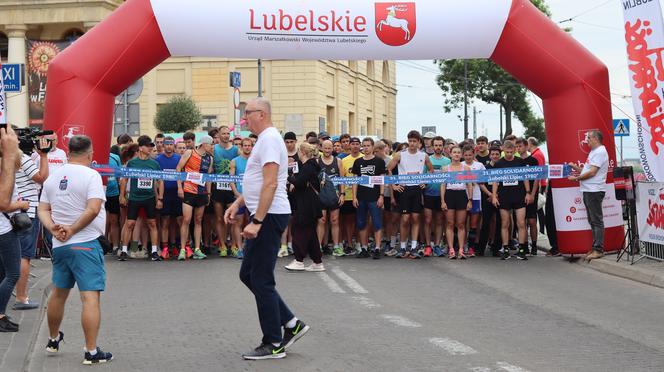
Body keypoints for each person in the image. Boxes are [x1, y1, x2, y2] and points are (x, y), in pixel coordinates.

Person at [225, 97, 310, 360]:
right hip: (262, 213)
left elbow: (271, 183)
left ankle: (273, 342)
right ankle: (291, 323)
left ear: (260, 114)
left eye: (247, 114)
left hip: (269, 216)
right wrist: (239, 202)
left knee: (261, 279)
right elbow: (257, 180)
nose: (245, 120)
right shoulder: (265, 139)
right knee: (248, 274)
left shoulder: (271, 139)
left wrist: (257, 221)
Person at [38, 135, 112, 364]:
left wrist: (53, 228)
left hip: (60, 246)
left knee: (58, 293)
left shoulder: (53, 177)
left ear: (68, 152)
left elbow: (42, 209)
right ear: (90, 154)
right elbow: (92, 209)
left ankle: (52, 339)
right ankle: (91, 352)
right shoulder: (91, 175)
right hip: (86, 243)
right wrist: (71, 229)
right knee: (89, 297)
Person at [13, 138, 50, 310]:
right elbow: (42, 178)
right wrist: (43, 156)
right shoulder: (21, 159)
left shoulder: (6, 158)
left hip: (10, 211)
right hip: (26, 212)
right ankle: (21, 297)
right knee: (24, 256)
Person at [387, 130, 433, 259]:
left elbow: (431, 170)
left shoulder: (423, 156)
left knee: (415, 218)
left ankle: (413, 247)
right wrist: (394, 185)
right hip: (404, 190)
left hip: (417, 190)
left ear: (419, 143)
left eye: (414, 141)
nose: (412, 144)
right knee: (405, 219)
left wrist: (425, 181)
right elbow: (389, 169)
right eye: (410, 141)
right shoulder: (400, 155)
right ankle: (402, 247)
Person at [118, 135, 163, 262]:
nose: (150, 149)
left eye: (151, 146)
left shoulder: (154, 164)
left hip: (149, 197)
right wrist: (122, 196)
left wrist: (160, 198)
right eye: (148, 146)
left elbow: (160, 181)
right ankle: (124, 251)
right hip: (134, 198)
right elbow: (124, 179)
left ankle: (154, 251)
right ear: (141, 148)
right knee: (130, 224)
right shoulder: (132, 163)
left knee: (152, 223)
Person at [568, 130, 609, 261]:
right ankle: (595, 247)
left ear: (596, 139)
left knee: (596, 220)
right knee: (592, 220)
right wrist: (575, 167)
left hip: (594, 190)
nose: (587, 140)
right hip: (589, 190)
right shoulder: (594, 152)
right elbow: (587, 170)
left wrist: (576, 179)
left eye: (589, 138)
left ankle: (598, 249)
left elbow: (592, 173)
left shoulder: (600, 152)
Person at [284, 142, 325, 271]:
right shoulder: (309, 165)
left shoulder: (309, 166)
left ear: (303, 152)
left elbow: (300, 182)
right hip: (308, 203)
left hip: (307, 204)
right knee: (311, 233)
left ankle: (299, 260)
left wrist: (288, 177)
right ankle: (317, 262)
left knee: (298, 230)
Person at [491, 140, 532, 260]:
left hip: (519, 195)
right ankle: (505, 248)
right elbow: (495, 181)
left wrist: (528, 193)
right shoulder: (499, 163)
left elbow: (525, 178)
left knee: (521, 223)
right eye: (507, 152)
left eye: (511, 152)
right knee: (505, 223)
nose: (509, 154)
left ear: (514, 150)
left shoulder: (520, 162)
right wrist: (494, 196)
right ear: (503, 150)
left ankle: (522, 249)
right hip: (504, 196)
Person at [0, 127, 23, 332]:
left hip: (4, 227)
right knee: (13, 273)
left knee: (2, 274)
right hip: (3, 229)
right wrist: (22, 206)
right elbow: (3, 203)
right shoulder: (4, 166)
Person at [176, 135, 214, 261]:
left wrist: (208, 194)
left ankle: (197, 248)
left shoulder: (209, 158)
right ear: (204, 144)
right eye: (210, 144)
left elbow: (208, 177)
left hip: (201, 192)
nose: (212, 147)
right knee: (186, 219)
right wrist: (180, 188)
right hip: (188, 190)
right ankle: (182, 249)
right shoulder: (189, 153)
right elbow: (178, 169)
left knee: (198, 220)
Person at [352, 138, 386, 259]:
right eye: (364, 146)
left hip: (374, 197)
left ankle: (377, 248)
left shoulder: (379, 162)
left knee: (376, 223)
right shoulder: (358, 162)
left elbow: (382, 180)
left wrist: (381, 196)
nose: (366, 148)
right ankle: (364, 248)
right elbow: (355, 180)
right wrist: (354, 197)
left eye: (368, 146)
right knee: (361, 223)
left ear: (372, 147)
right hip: (361, 197)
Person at [212, 126, 240, 257]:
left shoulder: (235, 149)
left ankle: (234, 245)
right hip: (217, 186)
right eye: (223, 134)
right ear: (218, 134)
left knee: (232, 217)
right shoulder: (214, 149)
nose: (226, 136)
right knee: (219, 218)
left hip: (231, 187)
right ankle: (222, 245)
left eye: (228, 134)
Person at [441, 146, 473, 259]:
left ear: (462, 155)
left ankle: (460, 249)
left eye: (459, 152)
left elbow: (469, 184)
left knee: (461, 224)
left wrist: (470, 200)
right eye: (454, 152)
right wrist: (443, 201)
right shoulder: (445, 168)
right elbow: (443, 185)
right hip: (449, 195)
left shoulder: (466, 168)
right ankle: (451, 249)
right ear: (450, 154)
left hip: (461, 195)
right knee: (449, 223)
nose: (456, 154)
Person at [155, 137, 182, 259]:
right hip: (164, 194)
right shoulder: (158, 160)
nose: (169, 146)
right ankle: (165, 247)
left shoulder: (179, 158)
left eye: (171, 144)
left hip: (177, 193)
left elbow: (182, 175)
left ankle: (176, 246)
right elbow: (156, 180)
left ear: (174, 146)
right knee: (165, 221)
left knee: (178, 221)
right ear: (163, 146)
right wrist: (158, 197)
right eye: (167, 144)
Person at [422, 136, 450, 257]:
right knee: (427, 220)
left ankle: (437, 245)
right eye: (436, 145)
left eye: (440, 145)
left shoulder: (447, 161)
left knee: (439, 221)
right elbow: (422, 176)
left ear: (443, 146)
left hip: (442, 195)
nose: (438, 147)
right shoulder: (427, 159)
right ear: (432, 146)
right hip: (428, 193)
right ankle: (428, 245)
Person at [317, 140, 344, 256]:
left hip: (335, 195)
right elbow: (313, 179)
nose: (327, 151)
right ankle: (318, 246)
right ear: (321, 148)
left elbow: (342, 179)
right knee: (321, 220)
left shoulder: (338, 161)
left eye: (329, 148)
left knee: (334, 220)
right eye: (325, 148)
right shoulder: (317, 161)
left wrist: (342, 194)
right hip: (321, 196)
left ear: (333, 148)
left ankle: (336, 246)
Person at [229, 138, 253, 260]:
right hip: (239, 196)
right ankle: (239, 248)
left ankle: (250, 248)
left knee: (252, 222)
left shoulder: (255, 161)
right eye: (245, 145)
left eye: (249, 145)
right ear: (241, 147)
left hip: (253, 197)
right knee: (237, 222)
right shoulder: (234, 161)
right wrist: (236, 193)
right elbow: (231, 179)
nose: (247, 147)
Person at [516, 138, 541, 255]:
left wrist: (532, 194)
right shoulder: (515, 161)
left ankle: (534, 245)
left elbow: (537, 178)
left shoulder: (533, 160)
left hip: (531, 193)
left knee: (532, 221)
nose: (518, 148)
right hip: (519, 194)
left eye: (520, 146)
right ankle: (524, 246)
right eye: (516, 146)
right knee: (522, 222)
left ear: (526, 147)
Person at [478, 146, 503, 257]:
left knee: (499, 223)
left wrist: (496, 196)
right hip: (487, 198)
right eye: (493, 154)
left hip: (500, 198)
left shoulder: (503, 167)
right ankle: (481, 248)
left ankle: (496, 248)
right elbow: (481, 184)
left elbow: (504, 184)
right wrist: (490, 195)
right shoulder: (485, 168)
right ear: (490, 155)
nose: (495, 156)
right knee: (485, 223)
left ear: (500, 154)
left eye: (497, 154)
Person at [340, 137, 363, 255]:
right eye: (352, 144)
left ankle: (359, 243)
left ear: (360, 146)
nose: (354, 146)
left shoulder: (363, 158)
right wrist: (342, 194)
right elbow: (342, 178)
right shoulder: (344, 160)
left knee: (360, 221)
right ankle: (349, 244)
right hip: (348, 194)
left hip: (362, 194)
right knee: (348, 221)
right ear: (349, 146)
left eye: (357, 144)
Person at [463, 144, 485, 257]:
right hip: (462, 196)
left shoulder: (479, 165)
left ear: (474, 154)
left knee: (473, 224)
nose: (468, 157)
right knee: (461, 223)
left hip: (476, 196)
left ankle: (471, 247)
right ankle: (461, 246)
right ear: (463, 155)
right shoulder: (460, 165)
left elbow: (484, 179)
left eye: (470, 155)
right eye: (466, 155)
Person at [280, 132, 299, 258]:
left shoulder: (299, 154)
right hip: (282, 190)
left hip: (296, 191)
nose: (289, 144)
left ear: (295, 141)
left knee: (294, 219)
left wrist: (295, 182)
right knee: (284, 218)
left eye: (291, 141)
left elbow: (302, 172)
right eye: (287, 142)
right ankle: (283, 245)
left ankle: (292, 243)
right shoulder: (280, 154)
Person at [105, 150, 122, 257]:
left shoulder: (115, 157)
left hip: (113, 193)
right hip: (99, 192)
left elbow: (119, 175)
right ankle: (103, 244)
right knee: (102, 221)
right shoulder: (94, 155)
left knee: (114, 220)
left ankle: (115, 246)